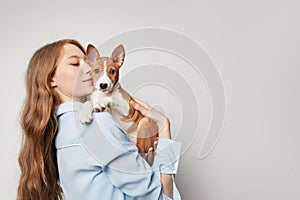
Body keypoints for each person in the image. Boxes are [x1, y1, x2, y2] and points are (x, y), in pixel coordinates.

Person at [17, 39, 181, 200]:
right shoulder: (96, 124)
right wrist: (164, 128)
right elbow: (159, 197)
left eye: (86, 61)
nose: (89, 68)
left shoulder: (59, 129)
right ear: (51, 79)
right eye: (75, 64)